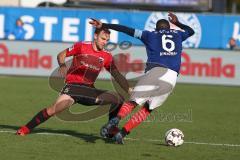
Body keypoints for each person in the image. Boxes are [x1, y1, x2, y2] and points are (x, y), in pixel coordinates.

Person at [89, 12, 195, 144]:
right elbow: (191, 31)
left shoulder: (149, 35)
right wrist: (178, 23)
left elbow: (126, 30)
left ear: (156, 29)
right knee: (147, 109)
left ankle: (115, 120)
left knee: (133, 102)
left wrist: (104, 25)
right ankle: (122, 134)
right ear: (169, 28)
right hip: (172, 76)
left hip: (155, 71)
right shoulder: (178, 34)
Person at [16, 27, 131, 136]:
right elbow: (61, 55)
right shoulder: (81, 46)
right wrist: (62, 65)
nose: (104, 42)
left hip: (89, 90)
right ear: (95, 36)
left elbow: (116, 74)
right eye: (103, 38)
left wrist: (128, 89)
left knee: (118, 99)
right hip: (73, 88)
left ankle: (110, 129)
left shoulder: (106, 56)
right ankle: (24, 129)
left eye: (107, 40)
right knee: (52, 110)